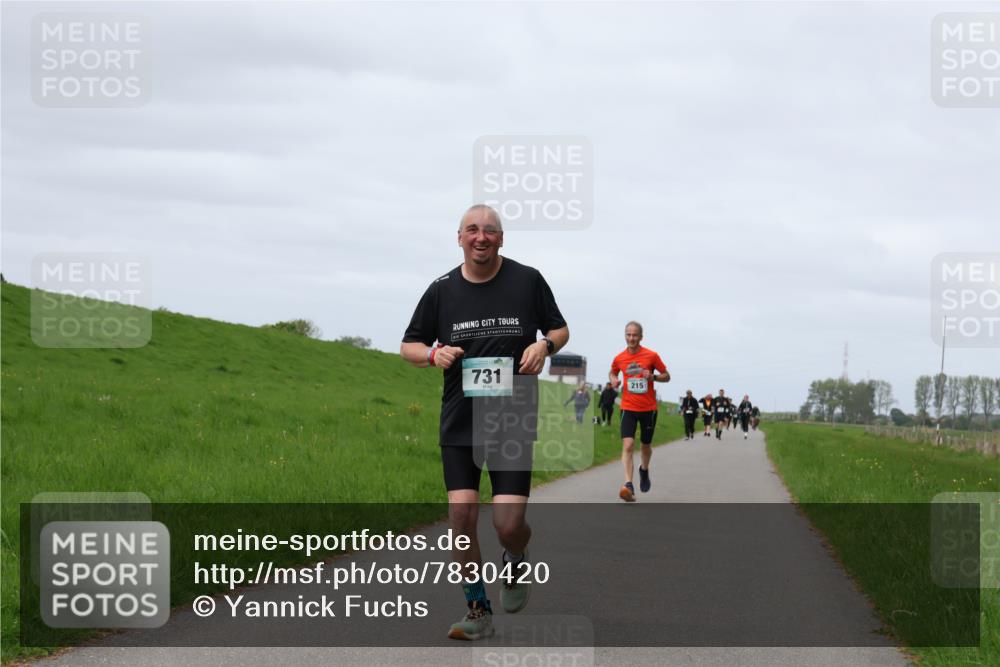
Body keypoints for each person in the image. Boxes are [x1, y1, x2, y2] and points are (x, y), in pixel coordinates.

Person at [401, 204, 569, 640]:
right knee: (461, 514)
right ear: (459, 237)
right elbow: (409, 346)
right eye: (472, 230)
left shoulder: (527, 280)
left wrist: (545, 346)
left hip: (513, 419)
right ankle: (477, 608)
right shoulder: (441, 290)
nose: (481, 237)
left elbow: (560, 328)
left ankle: (515, 558)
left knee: (508, 525)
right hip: (461, 419)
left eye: (490, 231)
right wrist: (433, 354)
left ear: (501, 238)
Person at [609, 321, 670, 501]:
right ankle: (628, 484)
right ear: (625, 335)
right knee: (628, 444)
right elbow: (612, 372)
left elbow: (667, 376)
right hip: (628, 407)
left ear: (641, 337)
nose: (631, 338)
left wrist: (653, 377)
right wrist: (614, 380)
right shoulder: (619, 358)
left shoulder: (651, 356)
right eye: (628, 334)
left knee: (645, 445)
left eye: (635, 335)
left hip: (648, 409)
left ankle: (644, 470)